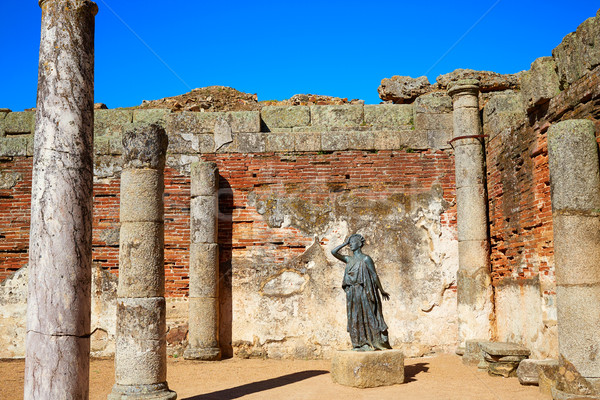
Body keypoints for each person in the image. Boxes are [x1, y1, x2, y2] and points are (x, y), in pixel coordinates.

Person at [331, 234, 392, 351]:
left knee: (369, 316)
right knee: (354, 317)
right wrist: (345, 242)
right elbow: (333, 252)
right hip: (352, 293)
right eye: (350, 242)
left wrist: (381, 290)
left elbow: (374, 275)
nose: (351, 245)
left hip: (364, 291)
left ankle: (374, 341)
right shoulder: (349, 259)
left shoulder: (366, 259)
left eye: (353, 242)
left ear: (359, 244)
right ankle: (359, 343)